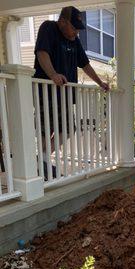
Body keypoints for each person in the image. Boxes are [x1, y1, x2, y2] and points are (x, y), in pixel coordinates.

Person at [34, 6, 109, 179]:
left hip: (66, 94)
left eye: (78, 29)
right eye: (74, 28)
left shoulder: (74, 40)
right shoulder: (48, 28)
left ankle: (42, 160)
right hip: (46, 92)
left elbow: (85, 64)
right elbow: (42, 53)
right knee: (48, 128)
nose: (76, 32)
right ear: (62, 21)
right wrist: (53, 74)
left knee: (68, 128)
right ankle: (42, 164)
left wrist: (100, 83)